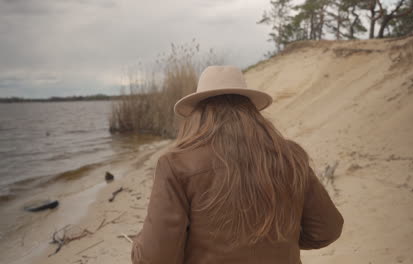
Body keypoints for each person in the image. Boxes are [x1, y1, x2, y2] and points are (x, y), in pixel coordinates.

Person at [131, 65, 344, 264]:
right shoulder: (290, 156)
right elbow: (328, 230)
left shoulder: (176, 164)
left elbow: (155, 258)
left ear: (198, 113)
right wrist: (281, 241)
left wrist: (138, 243)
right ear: (250, 109)